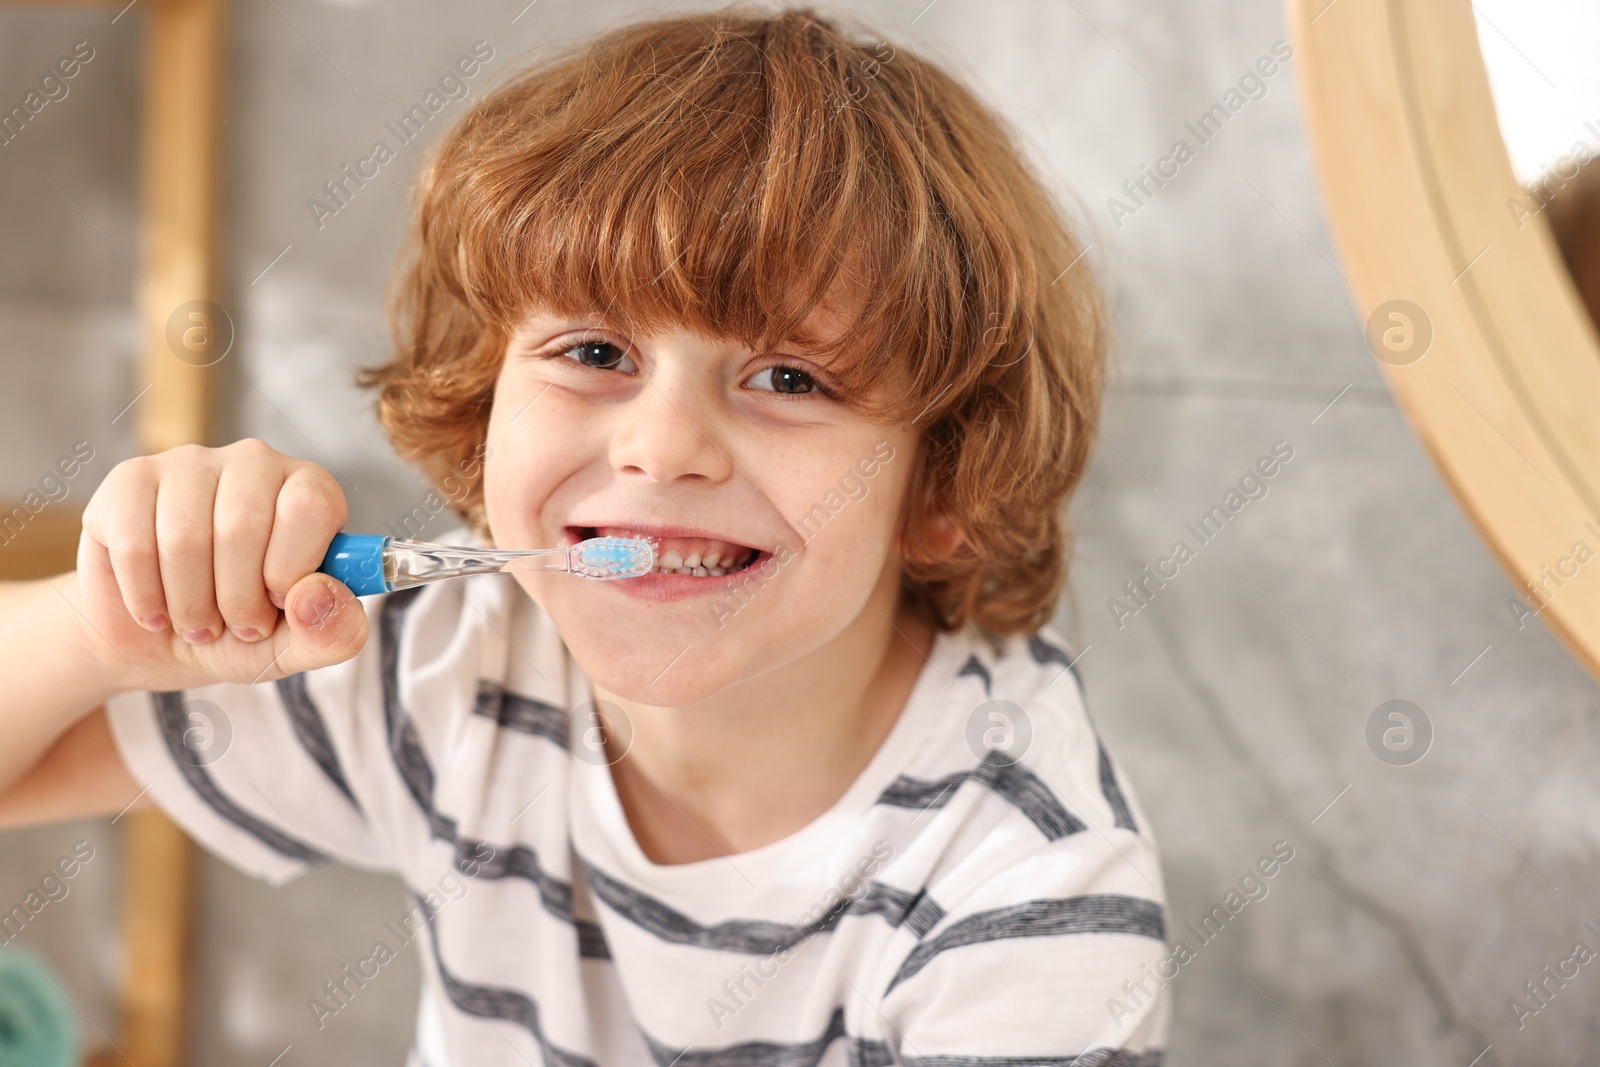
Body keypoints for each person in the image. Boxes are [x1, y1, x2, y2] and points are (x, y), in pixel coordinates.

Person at [0, 6, 1169, 1063]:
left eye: (787, 375)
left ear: (940, 480)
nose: (663, 448)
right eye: (596, 353)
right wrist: (117, 622)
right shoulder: (450, 664)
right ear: (481, 398)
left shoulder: (1025, 888)